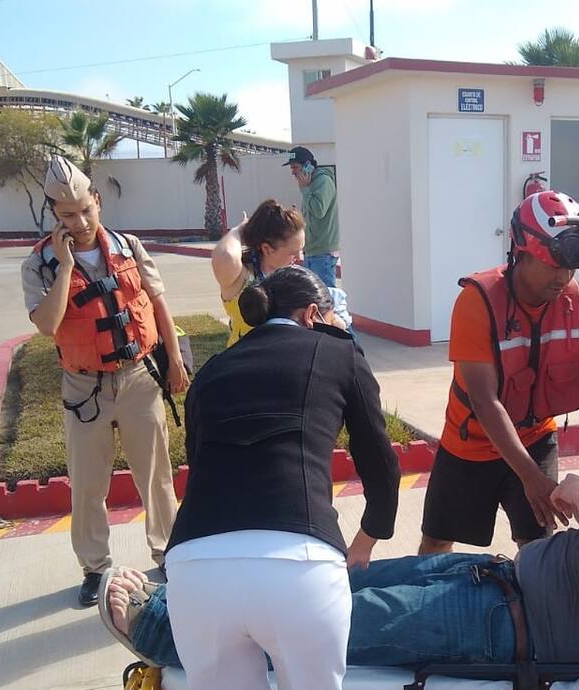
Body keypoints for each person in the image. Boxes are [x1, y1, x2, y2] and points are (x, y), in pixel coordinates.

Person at [103, 464, 579, 673]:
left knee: (334, 621)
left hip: (507, 625)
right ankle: (196, 593)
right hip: (492, 576)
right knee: (331, 583)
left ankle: (164, 632)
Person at [153, 265, 400, 690]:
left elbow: (199, 461)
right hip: (297, 567)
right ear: (312, 315)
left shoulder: (212, 370)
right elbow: (381, 464)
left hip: (195, 568)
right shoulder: (339, 353)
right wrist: (366, 539)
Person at [420, 190, 579, 555]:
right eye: (553, 265)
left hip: (536, 438)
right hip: (469, 446)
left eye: (570, 268)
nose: (563, 277)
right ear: (521, 250)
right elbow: (484, 401)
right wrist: (530, 477)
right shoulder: (477, 303)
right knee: (437, 541)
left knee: (537, 544)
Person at [21, 156, 188, 606]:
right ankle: (95, 568)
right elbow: (48, 325)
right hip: (84, 388)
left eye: (85, 210)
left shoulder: (130, 246)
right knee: (88, 483)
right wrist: (67, 265)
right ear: (53, 214)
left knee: (156, 477)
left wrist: (174, 360)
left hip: (138, 377)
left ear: (97, 201)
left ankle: (169, 553)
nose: (79, 222)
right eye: (66, 215)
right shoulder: (40, 265)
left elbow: (157, 305)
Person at [212, 198, 352, 348]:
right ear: (267, 249)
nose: (300, 257)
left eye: (302, 250)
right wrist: (238, 231)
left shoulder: (296, 277)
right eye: (293, 252)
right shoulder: (241, 278)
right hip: (246, 362)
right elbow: (226, 255)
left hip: (287, 363)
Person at [284, 146, 339, 288]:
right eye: (291, 168)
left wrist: (305, 189)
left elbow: (319, 211)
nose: (293, 172)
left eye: (295, 167)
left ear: (308, 166)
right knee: (314, 295)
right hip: (312, 250)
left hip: (323, 251)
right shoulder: (309, 184)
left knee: (326, 297)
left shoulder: (323, 181)